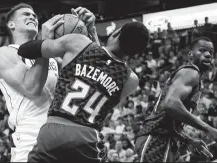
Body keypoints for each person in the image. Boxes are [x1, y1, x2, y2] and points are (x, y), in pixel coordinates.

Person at [17, 15, 150, 162]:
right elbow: (105, 66)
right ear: (136, 53)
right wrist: (92, 33)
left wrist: (45, 39)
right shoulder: (131, 80)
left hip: (53, 129)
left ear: (116, 33)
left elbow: (25, 50)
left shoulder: (78, 42)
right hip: (87, 138)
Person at [0, 3, 97, 162]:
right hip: (30, 134)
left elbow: (94, 73)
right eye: (26, 15)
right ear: (11, 24)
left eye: (34, 15)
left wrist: (91, 33)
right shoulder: (5, 53)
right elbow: (31, 88)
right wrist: (44, 45)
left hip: (61, 133)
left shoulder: (54, 58)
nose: (32, 17)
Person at [134, 37, 217, 162]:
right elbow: (171, 104)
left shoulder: (192, 77)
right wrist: (208, 129)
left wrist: (188, 140)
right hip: (156, 139)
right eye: (202, 50)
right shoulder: (191, 72)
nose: (207, 55)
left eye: (211, 52)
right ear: (190, 55)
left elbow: (168, 119)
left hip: (165, 139)